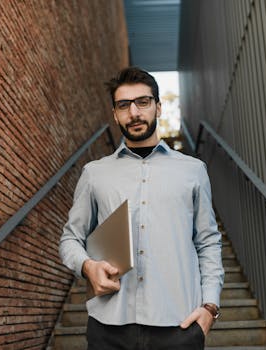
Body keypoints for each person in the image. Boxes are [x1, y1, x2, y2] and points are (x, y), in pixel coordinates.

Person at [59, 66, 224, 350]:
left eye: (143, 102)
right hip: (108, 328)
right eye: (124, 105)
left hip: (179, 326)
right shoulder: (94, 173)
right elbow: (70, 238)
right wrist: (87, 266)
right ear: (115, 114)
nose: (134, 113)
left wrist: (209, 307)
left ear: (158, 108)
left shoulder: (193, 171)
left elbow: (207, 242)